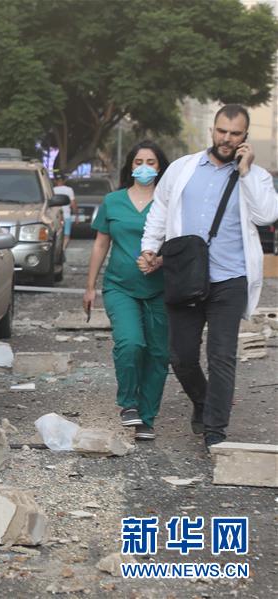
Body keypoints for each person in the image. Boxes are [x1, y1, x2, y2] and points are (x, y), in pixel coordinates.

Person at [139, 104, 278, 450]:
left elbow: (266, 215)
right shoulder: (183, 168)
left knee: (222, 356)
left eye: (234, 134)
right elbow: (161, 208)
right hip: (186, 275)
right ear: (212, 130)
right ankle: (202, 401)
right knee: (181, 356)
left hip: (231, 279)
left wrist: (245, 172)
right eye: (221, 131)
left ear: (244, 137)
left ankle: (215, 429)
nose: (226, 139)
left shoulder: (256, 177)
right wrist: (149, 247)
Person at [83, 141, 171, 440]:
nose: (144, 167)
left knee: (158, 354)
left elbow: (183, 244)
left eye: (150, 161)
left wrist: (160, 261)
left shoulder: (170, 202)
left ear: (160, 167)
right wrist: (90, 286)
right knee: (131, 343)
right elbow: (100, 244)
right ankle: (129, 404)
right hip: (120, 286)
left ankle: (147, 418)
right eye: (138, 161)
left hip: (161, 290)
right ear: (130, 167)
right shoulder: (113, 201)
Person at [53, 173, 78, 249]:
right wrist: (76, 215)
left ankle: (57, 250)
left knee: (56, 234)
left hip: (55, 216)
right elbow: (73, 203)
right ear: (64, 180)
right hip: (67, 216)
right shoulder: (69, 190)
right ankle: (63, 249)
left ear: (55, 181)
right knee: (66, 235)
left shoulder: (52, 190)